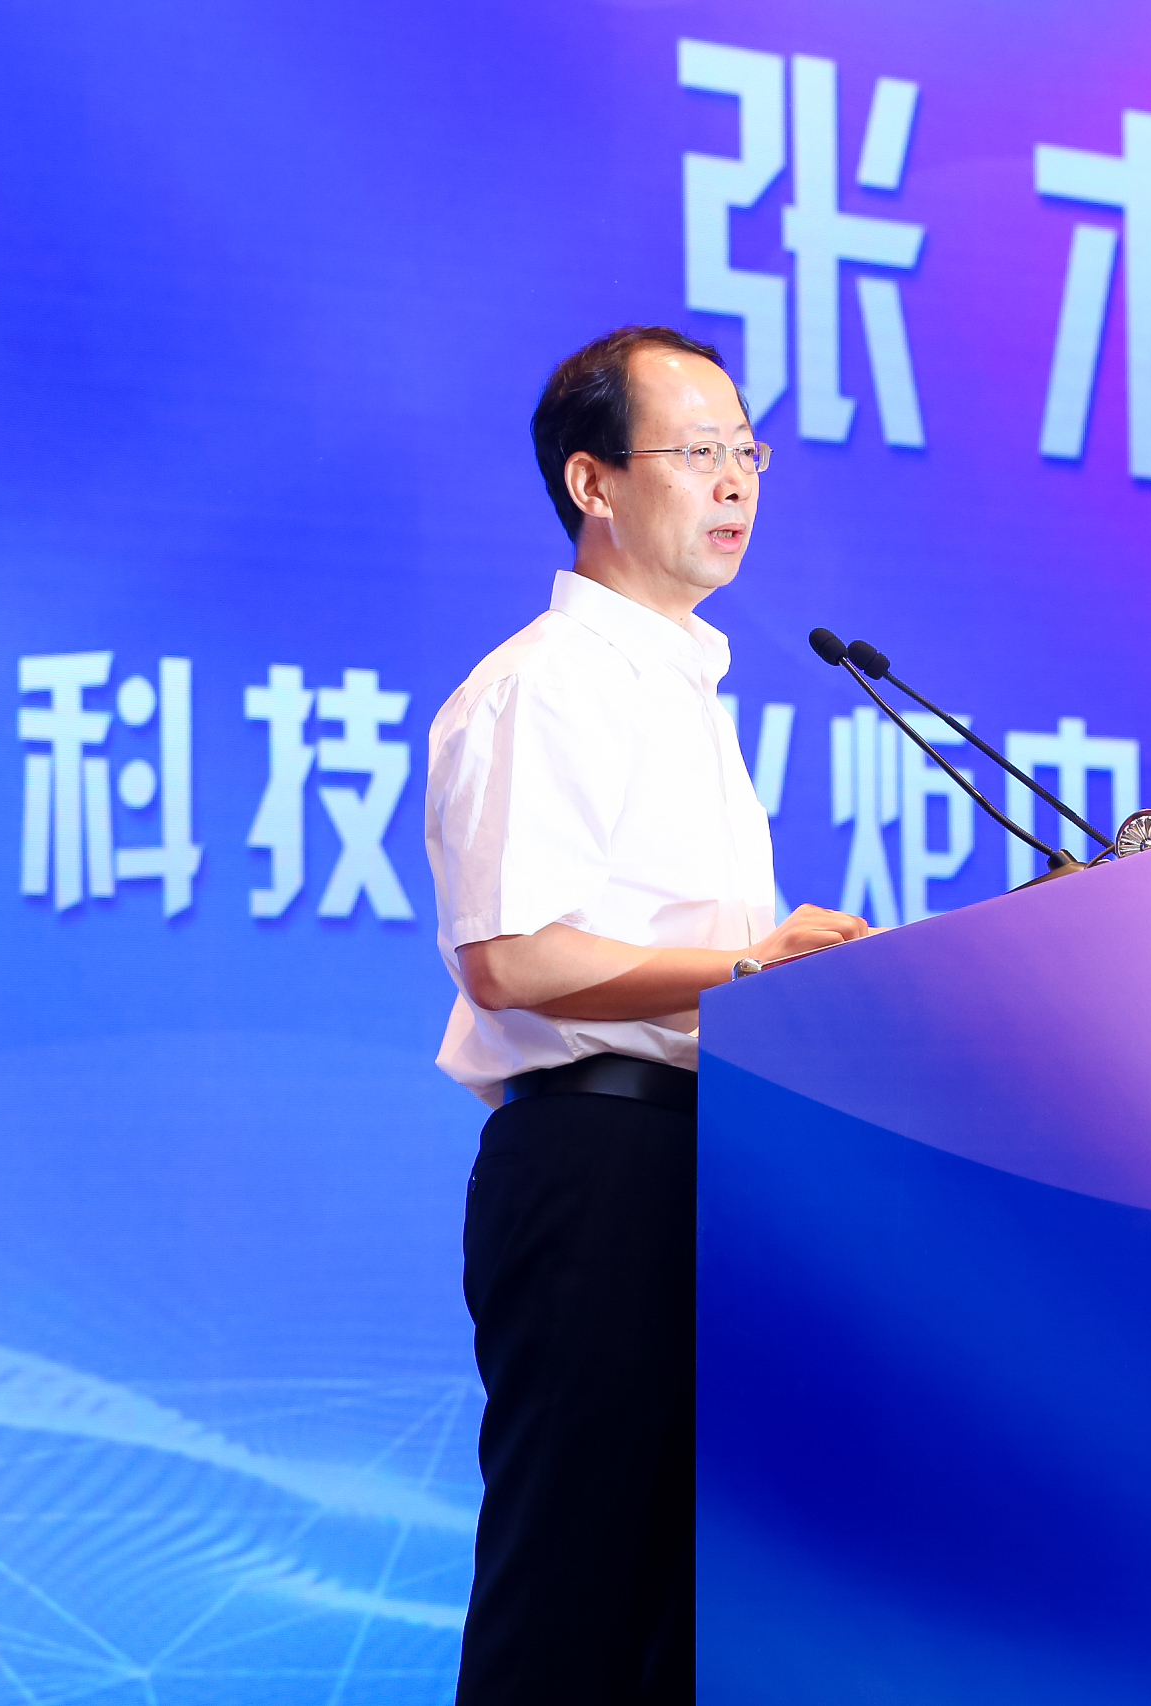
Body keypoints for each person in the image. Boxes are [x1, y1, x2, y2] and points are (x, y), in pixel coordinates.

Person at [422, 324, 869, 1704]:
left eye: (748, 452)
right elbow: (512, 957)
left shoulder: (685, 691)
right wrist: (747, 967)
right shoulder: (545, 683)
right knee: (572, 1604)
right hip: (599, 1163)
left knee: (685, 1619)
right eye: (698, 451)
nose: (735, 481)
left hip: (709, 1165)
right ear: (594, 481)